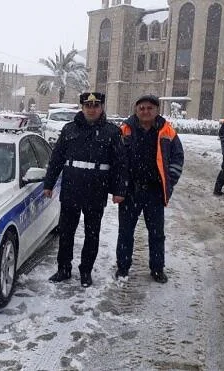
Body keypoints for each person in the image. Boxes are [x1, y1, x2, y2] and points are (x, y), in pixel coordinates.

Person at [44, 92, 127, 287]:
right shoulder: (69, 129)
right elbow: (56, 159)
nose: (91, 109)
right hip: (72, 187)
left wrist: (119, 190)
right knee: (66, 233)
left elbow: (120, 164)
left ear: (101, 108)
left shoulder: (112, 132)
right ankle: (63, 269)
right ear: (82, 107)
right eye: (88, 105)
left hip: (96, 190)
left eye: (95, 105)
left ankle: (85, 271)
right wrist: (48, 184)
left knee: (92, 234)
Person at [116, 95, 184, 284]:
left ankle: (157, 269)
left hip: (154, 192)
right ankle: (122, 268)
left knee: (156, 234)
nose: (145, 111)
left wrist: (170, 180)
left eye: (149, 108)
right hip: (131, 191)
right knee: (125, 232)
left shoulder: (167, 131)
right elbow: (116, 159)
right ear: (136, 110)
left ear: (156, 110)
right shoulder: (125, 130)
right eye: (142, 108)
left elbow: (178, 158)